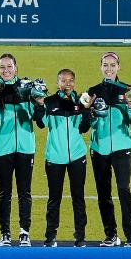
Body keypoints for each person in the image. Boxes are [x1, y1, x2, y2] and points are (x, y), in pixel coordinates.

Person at [85, 52, 131, 247]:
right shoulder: (92, 91)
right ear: (101, 67)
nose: (109, 68)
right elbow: (86, 124)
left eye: (113, 65)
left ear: (119, 67)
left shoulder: (128, 89)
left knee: (124, 189)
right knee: (103, 192)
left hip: (121, 146)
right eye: (106, 65)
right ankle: (111, 235)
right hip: (99, 147)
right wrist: (89, 112)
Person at [33, 68, 91, 246]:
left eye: (71, 80)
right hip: (55, 156)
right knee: (54, 198)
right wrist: (40, 105)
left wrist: (87, 110)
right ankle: (50, 236)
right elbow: (41, 123)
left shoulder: (81, 100)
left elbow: (84, 128)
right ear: (57, 82)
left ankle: (80, 237)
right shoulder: (49, 101)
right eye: (63, 80)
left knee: (78, 197)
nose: (67, 83)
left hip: (77, 156)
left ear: (74, 82)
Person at [0, 53, 39, 246]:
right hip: (3, 147)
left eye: (9, 66)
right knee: (5, 192)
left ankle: (24, 232)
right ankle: (5, 233)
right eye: (2, 67)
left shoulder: (26, 87)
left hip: (26, 146)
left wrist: (37, 101)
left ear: (16, 68)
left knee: (25, 191)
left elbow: (39, 119)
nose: (6, 70)